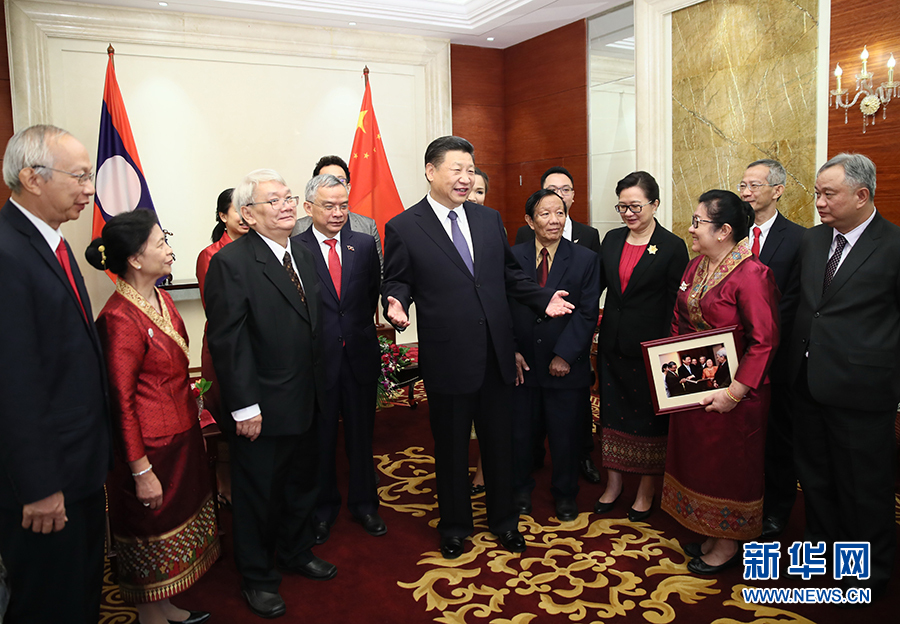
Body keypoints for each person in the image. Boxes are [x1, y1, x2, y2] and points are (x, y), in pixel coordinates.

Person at [382, 136, 573, 560]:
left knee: (500, 444)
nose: (466, 178)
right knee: (451, 448)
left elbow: (508, 275)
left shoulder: (488, 219)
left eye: (470, 170)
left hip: (495, 353)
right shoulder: (404, 226)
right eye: (457, 169)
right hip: (448, 356)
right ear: (431, 171)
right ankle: (454, 526)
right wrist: (395, 301)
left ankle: (504, 521)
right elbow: (397, 279)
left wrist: (543, 298)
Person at [205, 169, 333, 619]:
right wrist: (245, 406)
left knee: (302, 484)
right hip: (261, 405)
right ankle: (257, 577)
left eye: (288, 197)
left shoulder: (303, 252)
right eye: (273, 200)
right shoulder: (231, 263)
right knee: (259, 494)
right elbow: (229, 341)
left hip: (308, 397)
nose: (286, 206)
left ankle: (296, 551)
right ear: (248, 214)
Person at [0, 124, 112, 623]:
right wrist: (39, 485)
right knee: (49, 604)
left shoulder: (54, 245)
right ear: (32, 178)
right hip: (44, 484)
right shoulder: (7, 253)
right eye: (80, 176)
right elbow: (13, 383)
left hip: (78, 468)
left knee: (81, 594)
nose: (90, 189)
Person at [88, 210, 218, 624]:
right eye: (160, 243)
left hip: (179, 438)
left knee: (174, 528)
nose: (170, 250)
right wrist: (140, 470)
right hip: (149, 450)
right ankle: (150, 615)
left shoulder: (161, 299)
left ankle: (164, 607)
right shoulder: (118, 318)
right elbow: (120, 403)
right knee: (149, 533)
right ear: (135, 259)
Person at [787, 153, 900, 598]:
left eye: (828, 194)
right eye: (817, 193)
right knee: (815, 478)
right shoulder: (813, 241)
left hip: (862, 391)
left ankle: (867, 571)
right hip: (807, 381)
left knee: (863, 486)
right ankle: (823, 553)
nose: (818, 202)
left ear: (861, 195)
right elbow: (807, 307)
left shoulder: (893, 245)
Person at [663, 189, 779, 575]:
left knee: (729, 468)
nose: (691, 229)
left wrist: (735, 392)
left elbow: (764, 341)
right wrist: (673, 372)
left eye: (698, 222)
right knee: (701, 463)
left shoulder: (752, 274)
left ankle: (728, 544)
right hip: (696, 386)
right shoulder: (695, 266)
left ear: (724, 230)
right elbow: (679, 321)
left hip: (737, 396)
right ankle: (710, 531)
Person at [294, 174, 385, 544]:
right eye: (328, 206)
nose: (337, 213)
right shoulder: (295, 248)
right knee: (322, 439)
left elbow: (371, 292)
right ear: (308, 208)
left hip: (359, 355)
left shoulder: (362, 244)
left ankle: (366, 505)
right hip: (318, 360)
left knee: (362, 437)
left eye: (343, 205)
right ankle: (323, 509)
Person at [594, 171, 688, 522]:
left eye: (635, 206)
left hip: (651, 350)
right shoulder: (612, 239)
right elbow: (598, 288)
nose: (628, 214)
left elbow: (675, 305)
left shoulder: (671, 246)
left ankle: (646, 491)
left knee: (649, 421)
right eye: (622, 207)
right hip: (612, 344)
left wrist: (665, 351)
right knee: (611, 416)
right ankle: (614, 484)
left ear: (655, 204)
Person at [509, 189, 600, 521]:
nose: (554, 220)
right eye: (545, 214)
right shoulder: (512, 257)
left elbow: (587, 313)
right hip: (523, 365)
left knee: (565, 436)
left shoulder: (585, 258)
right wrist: (511, 350)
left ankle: (565, 493)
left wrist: (565, 355)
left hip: (565, 365)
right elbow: (501, 306)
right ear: (530, 221)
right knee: (520, 434)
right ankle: (520, 490)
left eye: (560, 213)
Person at [738, 159, 806, 539]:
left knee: (778, 435)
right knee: (740, 438)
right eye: (743, 185)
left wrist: (762, 335)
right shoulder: (732, 233)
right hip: (734, 354)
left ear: (777, 190)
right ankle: (740, 501)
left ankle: (777, 509)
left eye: (754, 185)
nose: (746, 192)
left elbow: (793, 300)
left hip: (776, 357)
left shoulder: (798, 239)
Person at [196, 187, 249, 507]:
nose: (243, 216)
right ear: (222, 216)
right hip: (225, 350)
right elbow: (217, 311)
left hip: (258, 351)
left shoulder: (259, 247)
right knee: (227, 418)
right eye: (236, 210)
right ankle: (225, 484)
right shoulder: (211, 255)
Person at [292, 155, 383, 270]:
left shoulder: (366, 230)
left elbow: (377, 274)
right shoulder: (298, 229)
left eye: (339, 181)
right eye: (326, 180)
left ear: (348, 187)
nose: (338, 214)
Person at [466, 166, 490, 495]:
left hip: (490, 342)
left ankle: (484, 472)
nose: (474, 196)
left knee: (490, 419)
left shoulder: (491, 225)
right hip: (457, 344)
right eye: (470, 189)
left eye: (480, 191)